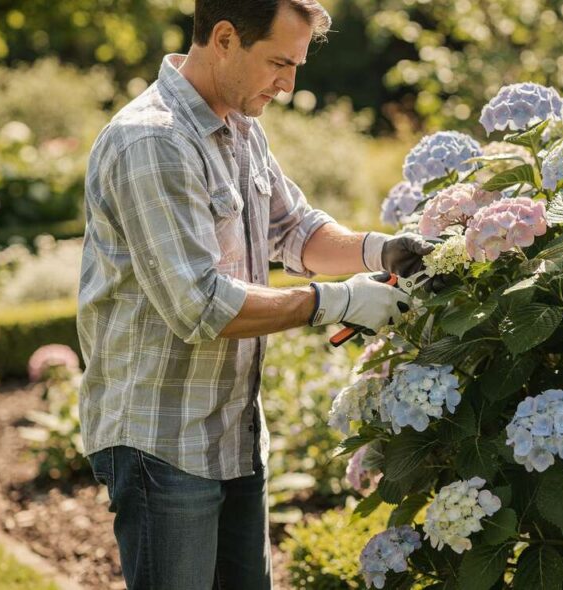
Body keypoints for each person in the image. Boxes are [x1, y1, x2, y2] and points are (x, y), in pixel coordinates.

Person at [75, 1, 433, 588]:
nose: (288, 85)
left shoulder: (239, 127)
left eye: (295, 65)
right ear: (223, 38)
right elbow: (200, 305)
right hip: (162, 443)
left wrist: (382, 249)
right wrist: (336, 302)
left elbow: (295, 229)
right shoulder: (152, 142)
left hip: (233, 438)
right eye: (278, 63)